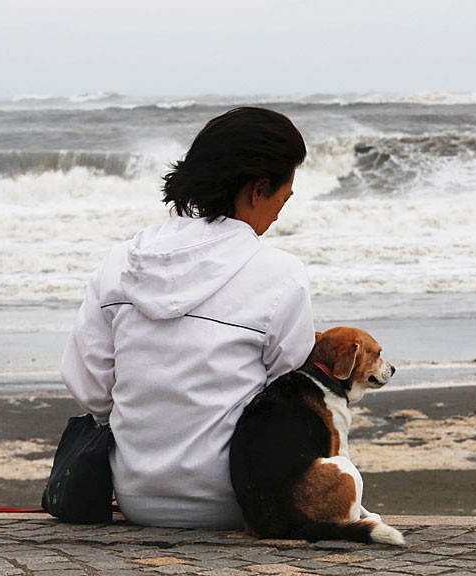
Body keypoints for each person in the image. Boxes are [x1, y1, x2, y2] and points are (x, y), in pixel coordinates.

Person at [61, 107, 316, 528]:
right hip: (241, 499)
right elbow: (289, 398)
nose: (275, 217)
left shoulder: (121, 261)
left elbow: (91, 391)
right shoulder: (280, 274)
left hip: (136, 497)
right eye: (281, 201)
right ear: (259, 189)